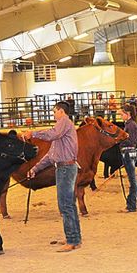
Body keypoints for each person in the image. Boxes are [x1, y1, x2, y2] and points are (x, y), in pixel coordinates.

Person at [23, 101, 82, 252]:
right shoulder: (62, 129)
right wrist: (35, 169)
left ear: (61, 111)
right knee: (68, 204)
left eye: (54, 111)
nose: (53, 114)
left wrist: (33, 133)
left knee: (65, 204)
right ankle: (74, 237)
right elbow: (51, 156)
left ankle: (72, 240)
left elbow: (52, 134)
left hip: (66, 168)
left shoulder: (63, 123)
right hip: (65, 168)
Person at [118, 104, 137, 213]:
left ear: (128, 114)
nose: (121, 116)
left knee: (132, 180)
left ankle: (131, 205)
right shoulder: (130, 124)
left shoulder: (130, 125)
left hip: (128, 152)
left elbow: (130, 140)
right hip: (129, 152)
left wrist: (119, 140)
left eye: (122, 114)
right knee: (133, 179)